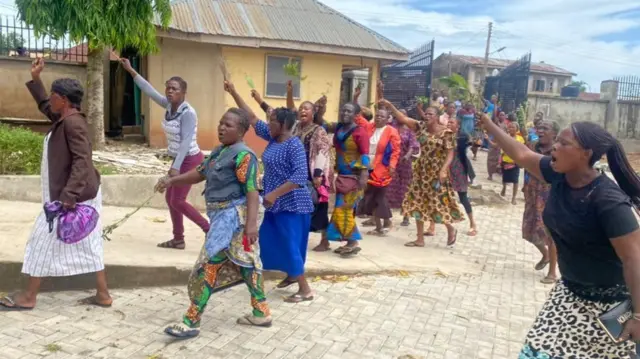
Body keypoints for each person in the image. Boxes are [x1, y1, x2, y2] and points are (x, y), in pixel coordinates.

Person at [480, 113, 640, 358]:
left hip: (611, 307)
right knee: (534, 353)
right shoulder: (559, 175)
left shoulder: (609, 201)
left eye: (564, 143)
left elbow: (634, 259)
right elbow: (522, 155)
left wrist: (638, 316)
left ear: (585, 153)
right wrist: (489, 125)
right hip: (569, 295)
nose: (555, 145)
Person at [0, 58, 111, 310]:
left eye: (52, 95)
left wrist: (67, 198)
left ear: (63, 99)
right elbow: (44, 106)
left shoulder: (73, 124)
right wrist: (36, 79)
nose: (49, 99)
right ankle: (103, 295)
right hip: (75, 196)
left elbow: (83, 162)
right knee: (90, 244)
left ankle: (29, 297)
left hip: (71, 198)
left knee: (40, 241)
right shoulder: (64, 118)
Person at [159, 108, 271, 338]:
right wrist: (172, 180)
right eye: (221, 123)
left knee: (207, 264)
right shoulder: (221, 152)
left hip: (234, 219)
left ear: (241, 131)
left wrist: (250, 226)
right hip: (221, 217)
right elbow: (200, 173)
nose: (222, 128)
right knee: (246, 263)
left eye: (228, 125)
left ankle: (191, 320)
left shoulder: (244, 156)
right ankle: (261, 312)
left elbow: (251, 192)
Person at [225, 81, 315, 302]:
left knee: (289, 243)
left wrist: (273, 195)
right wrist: (234, 91)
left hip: (293, 204)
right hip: (273, 204)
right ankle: (292, 275)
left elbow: (299, 177)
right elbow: (252, 118)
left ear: (284, 124)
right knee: (270, 241)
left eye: (272, 121)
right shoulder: (273, 138)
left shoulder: (292, 145)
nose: (268, 123)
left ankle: (305, 289)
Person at [120, 58, 209, 250]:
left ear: (184, 92)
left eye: (175, 89)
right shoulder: (169, 106)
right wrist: (130, 70)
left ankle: (208, 229)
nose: (170, 91)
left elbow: (186, 142)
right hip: (179, 160)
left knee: (177, 200)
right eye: (168, 88)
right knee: (170, 199)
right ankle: (178, 239)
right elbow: (149, 90)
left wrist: (175, 168)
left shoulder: (188, 113)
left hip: (190, 160)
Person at [380, 99, 463, 248]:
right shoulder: (421, 127)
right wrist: (390, 105)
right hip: (421, 171)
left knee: (437, 203)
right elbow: (403, 118)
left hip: (437, 173)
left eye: (431, 114)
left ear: (437, 117)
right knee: (416, 202)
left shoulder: (446, 133)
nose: (427, 116)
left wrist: (444, 169)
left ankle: (451, 229)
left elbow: (450, 153)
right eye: (426, 113)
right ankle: (419, 239)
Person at [325, 102, 370, 257]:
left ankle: (353, 241)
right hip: (342, 175)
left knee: (343, 208)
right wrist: (321, 109)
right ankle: (348, 241)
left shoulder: (360, 132)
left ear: (356, 115)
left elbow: (365, 154)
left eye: (349, 111)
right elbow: (321, 124)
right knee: (343, 209)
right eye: (343, 110)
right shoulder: (338, 128)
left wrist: (364, 175)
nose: (344, 113)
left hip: (354, 176)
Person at [522, 120, 560, 284]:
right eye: (540, 128)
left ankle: (552, 272)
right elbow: (526, 164)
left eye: (546, 128)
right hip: (532, 192)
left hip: (550, 195)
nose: (541, 131)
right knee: (529, 231)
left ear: (554, 133)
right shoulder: (532, 146)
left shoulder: (558, 150)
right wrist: (525, 186)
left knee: (550, 234)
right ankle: (545, 255)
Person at [358, 107, 401, 235]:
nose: (378, 118)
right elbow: (358, 118)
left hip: (382, 169)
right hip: (368, 166)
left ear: (388, 119)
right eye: (377, 115)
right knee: (373, 197)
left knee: (377, 197)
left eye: (382, 116)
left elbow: (395, 151)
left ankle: (381, 226)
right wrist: (355, 100)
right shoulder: (369, 127)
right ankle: (382, 224)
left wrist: (392, 166)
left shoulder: (391, 131)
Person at [389, 109, 420, 227]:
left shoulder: (410, 130)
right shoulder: (391, 127)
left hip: (405, 163)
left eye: (404, 115)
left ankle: (406, 216)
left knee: (405, 189)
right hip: (391, 161)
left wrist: (407, 155)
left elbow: (413, 145)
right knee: (390, 187)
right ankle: (386, 216)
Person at [448, 118, 478, 236]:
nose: (449, 124)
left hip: (459, 169)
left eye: (452, 122)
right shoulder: (442, 136)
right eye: (449, 122)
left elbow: (471, 143)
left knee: (463, 197)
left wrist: (475, 143)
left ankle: (472, 223)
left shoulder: (462, 137)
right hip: (445, 169)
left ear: (458, 126)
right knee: (438, 193)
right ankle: (432, 225)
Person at [501, 122, 525, 205]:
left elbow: (522, 149)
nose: (511, 129)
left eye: (513, 127)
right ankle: (504, 188)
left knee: (515, 180)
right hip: (505, 161)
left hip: (515, 162)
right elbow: (502, 148)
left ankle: (513, 197)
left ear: (517, 129)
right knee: (505, 178)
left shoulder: (520, 139)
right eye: (509, 127)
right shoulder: (505, 137)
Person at [486, 111, 507, 181]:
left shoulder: (505, 126)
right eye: (500, 115)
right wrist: (495, 104)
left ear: (505, 117)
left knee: (500, 160)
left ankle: (500, 173)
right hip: (493, 143)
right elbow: (494, 116)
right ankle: (490, 175)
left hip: (502, 145)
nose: (501, 116)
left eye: (503, 115)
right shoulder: (496, 124)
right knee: (490, 160)